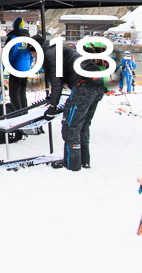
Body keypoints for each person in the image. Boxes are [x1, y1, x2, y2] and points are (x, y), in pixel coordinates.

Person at [33, 34, 106, 171]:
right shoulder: (57, 49)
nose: (33, 58)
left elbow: (56, 84)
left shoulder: (48, 55)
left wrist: (52, 107)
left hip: (84, 85)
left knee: (70, 125)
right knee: (83, 124)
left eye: (33, 55)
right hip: (98, 84)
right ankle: (84, 161)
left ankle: (72, 164)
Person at [4, 17, 34, 111]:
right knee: (22, 92)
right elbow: (32, 54)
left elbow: (6, 54)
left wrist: (2, 68)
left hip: (15, 67)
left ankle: (16, 113)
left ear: (14, 27)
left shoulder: (12, 38)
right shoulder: (28, 38)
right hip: (26, 68)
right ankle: (24, 112)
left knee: (14, 93)